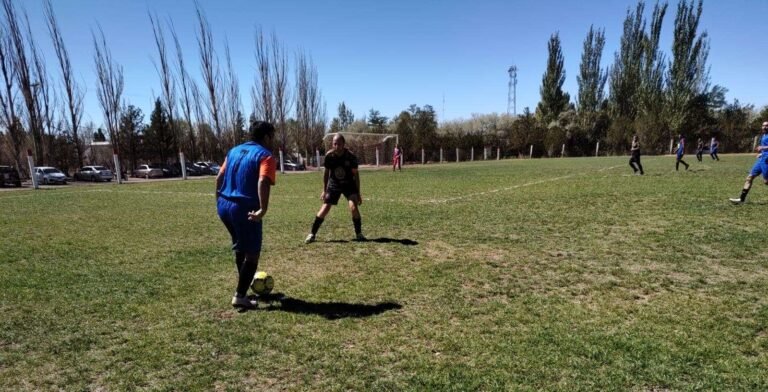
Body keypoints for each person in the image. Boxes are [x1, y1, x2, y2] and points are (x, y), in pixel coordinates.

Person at [216, 121, 277, 309]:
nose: (273, 141)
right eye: (272, 137)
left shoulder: (233, 151)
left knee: (241, 248)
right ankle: (240, 296)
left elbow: (219, 177)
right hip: (245, 208)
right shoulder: (265, 155)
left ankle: (243, 287)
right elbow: (262, 181)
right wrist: (263, 209)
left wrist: (218, 199)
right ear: (266, 137)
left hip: (224, 205)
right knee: (252, 255)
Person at [305, 133, 365, 243]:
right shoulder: (329, 156)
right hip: (334, 184)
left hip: (348, 184)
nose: (337, 146)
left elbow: (356, 175)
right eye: (335, 144)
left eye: (339, 144)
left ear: (344, 144)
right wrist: (324, 190)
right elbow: (326, 173)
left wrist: (358, 192)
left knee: (353, 207)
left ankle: (359, 234)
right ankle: (312, 234)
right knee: (325, 207)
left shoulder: (351, 157)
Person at [729, 121, 768, 204]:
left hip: (767, 161)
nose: (764, 127)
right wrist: (761, 153)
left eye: (766, 126)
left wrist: (763, 147)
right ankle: (741, 199)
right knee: (749, 177)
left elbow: (764, 147)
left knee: (766, 182)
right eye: (763, 125)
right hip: (761, 159)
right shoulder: (763, 135)